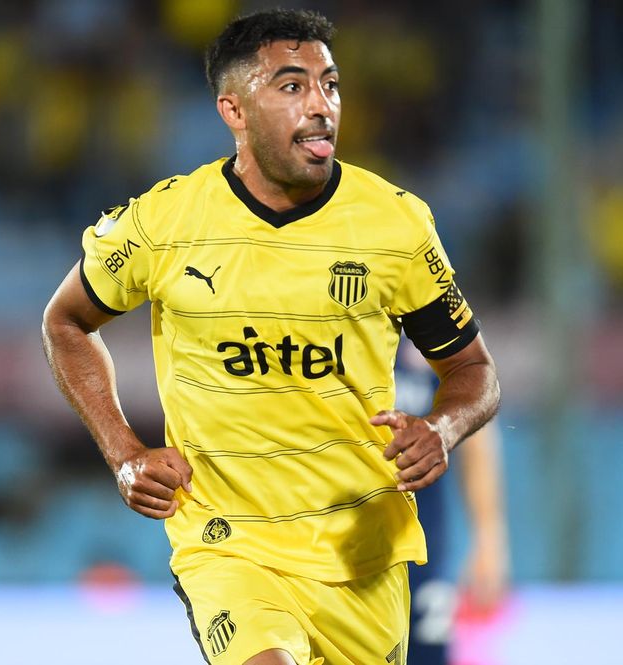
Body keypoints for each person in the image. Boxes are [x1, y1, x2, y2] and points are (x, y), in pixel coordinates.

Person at [42, 8, 499, 665]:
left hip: (362, 558)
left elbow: (474, 370)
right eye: (292, 87)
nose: (320, 106)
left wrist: (444, 428)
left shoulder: (394, 226)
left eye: (330, 85)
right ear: (234, 108)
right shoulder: (166, 222)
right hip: (231, 547)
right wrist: (123, 451)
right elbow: (65, 321)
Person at [394, 337, 509, 663]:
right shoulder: (331, 325)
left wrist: (490, 539)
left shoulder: (430, 326)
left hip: (424, 557)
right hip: (341, 554)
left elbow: (477, 435)